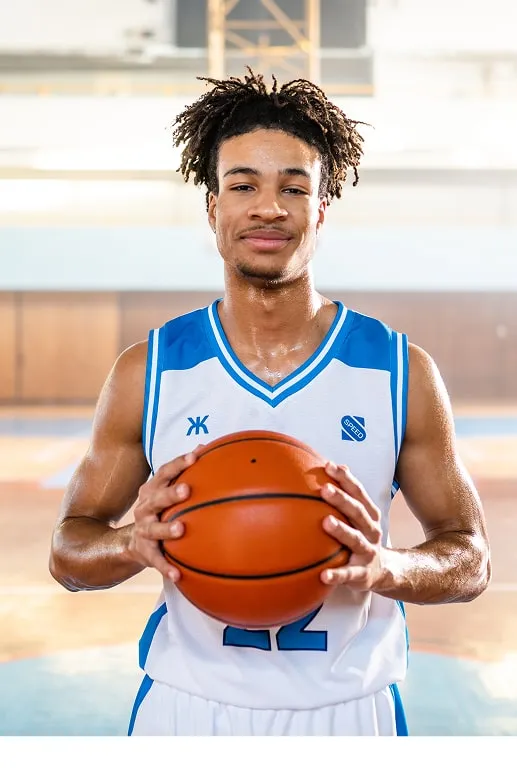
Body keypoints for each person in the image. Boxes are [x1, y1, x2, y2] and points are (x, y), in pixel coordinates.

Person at [49, 69, 490, 736]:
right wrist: (129, 546)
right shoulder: (152, 370)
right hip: (188, 712)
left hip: (348, 715)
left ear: (320, 209)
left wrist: (391, 566)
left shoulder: (398, 371)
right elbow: (67, 552)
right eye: (243, 185)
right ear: (212, 207)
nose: (268, 207)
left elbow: (470, 559)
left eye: (293, 187)